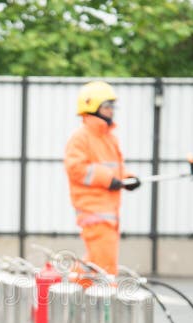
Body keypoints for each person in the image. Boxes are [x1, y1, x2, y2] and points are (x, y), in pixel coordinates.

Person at [64, 81, 140, 276]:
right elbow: (76, 168)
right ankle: (104, 303)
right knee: (105, 268)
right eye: (107, 106)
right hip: (94, 211)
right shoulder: (81, 137)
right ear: (92, 107)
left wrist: (128, 179)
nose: (111, 111)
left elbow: (116, 169)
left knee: (93, 266)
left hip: (107, 212)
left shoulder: (109, 138)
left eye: (112, 106)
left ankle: (64, 296)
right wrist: (109, 180)